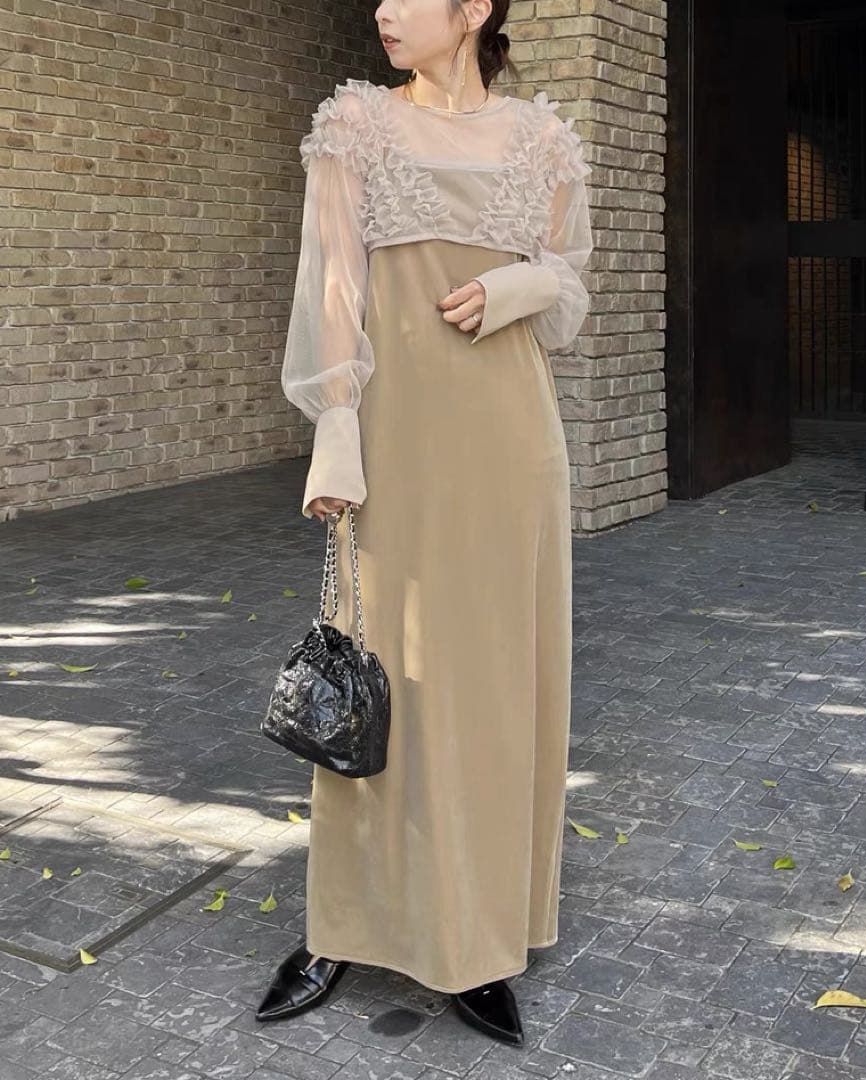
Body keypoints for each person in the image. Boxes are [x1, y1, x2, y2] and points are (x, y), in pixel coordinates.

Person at [255, 0, 593, 1048]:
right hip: (394, 441)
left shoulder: (543, 139)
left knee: (493, 687)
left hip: (511, 445)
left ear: (474, 8)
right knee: (378, 675)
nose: (384, 10)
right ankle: (342, 928)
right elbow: (330, 288)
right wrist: (335, 429)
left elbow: (569, 289)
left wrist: (520, 282)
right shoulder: (354, 124)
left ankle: (479, 935)